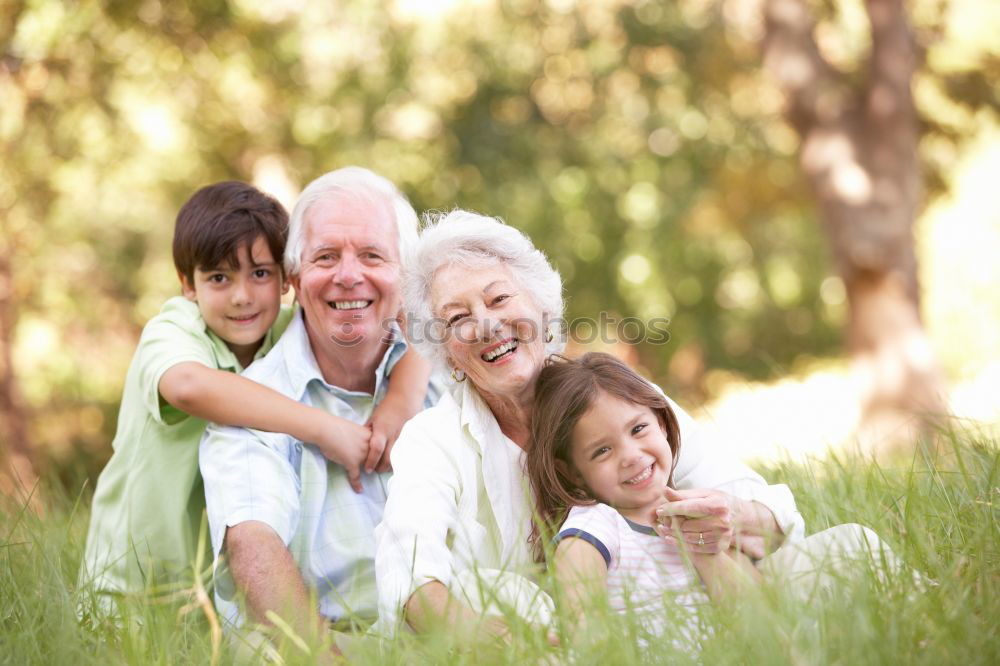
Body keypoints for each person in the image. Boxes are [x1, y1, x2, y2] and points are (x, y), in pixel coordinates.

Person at [374, 210, 801, 642]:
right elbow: (408, 571)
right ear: (445, 351)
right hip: (540, 632)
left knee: (850, 546)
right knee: (498, 593)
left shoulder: (618, 398)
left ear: (542, 308)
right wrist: (494, 638)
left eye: (499, 299)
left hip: (674, 603)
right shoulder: (432, 440)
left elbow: (765, 506)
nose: (486, 324)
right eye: (457, 318)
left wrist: (733, 515)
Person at [79, 181, 429, 615]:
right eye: (219, 277)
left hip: (209, 590)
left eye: (260, 274)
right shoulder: (175, 329)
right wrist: (324, 427)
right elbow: (188, 385)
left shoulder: (286, 329)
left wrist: (402, 397)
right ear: (188, 284)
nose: (242, 296)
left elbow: (405, 313)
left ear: (287, 280)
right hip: (132, 585)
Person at [198, 167, 438, 643]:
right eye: (326, 256)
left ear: (406, 276)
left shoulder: (447, 377)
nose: (349, 276)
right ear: (295, 277)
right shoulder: (256, 404)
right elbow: (253, 542)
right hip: (328, 642)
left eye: (372, 255)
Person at [526, 352, 766, 642]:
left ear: (662, 423)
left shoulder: (697, 517)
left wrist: (704, 550)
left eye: (638, 429)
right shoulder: (594, 528)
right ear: (574, 472)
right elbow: (586, 633)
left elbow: (761, 623)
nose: (630, 456)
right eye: (602, 450)